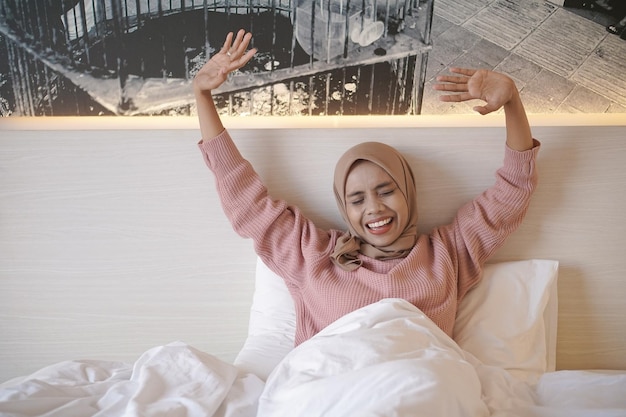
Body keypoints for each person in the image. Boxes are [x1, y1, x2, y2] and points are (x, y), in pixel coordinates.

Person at [194, 30, 539, 346]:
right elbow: (245, 199)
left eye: (386, 190)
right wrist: (202, 96)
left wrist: (512, 103)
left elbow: (512, 191)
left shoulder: (448, 254)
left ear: (408, 191)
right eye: (356, 199)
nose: (374, 208)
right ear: (344, 208)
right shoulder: (314, 257)